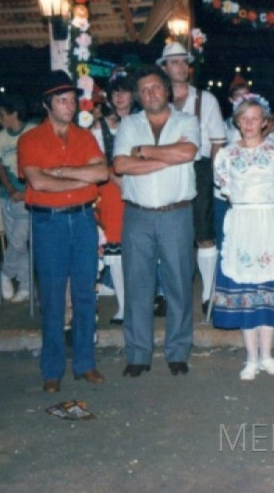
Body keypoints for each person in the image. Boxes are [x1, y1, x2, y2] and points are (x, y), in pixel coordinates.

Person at [18, 70, 108, 393]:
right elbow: (38, 181)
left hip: (83, 220)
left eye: (72, 99)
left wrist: (66, 172)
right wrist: (80, 178)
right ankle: (52, 369)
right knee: (53, 298)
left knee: (86, 294)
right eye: (62, 100)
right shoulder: (30, 140)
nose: (69, 105)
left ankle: (85, 364)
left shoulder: (85, 137)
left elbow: (100, 173)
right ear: (47, 104)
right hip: (49, 223)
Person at [212, 94, 274, 381]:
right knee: (246, 289)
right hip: (242, 222)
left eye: (255, 118)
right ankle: (250, 358)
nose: (250, 124)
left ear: (265, 122)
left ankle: (267, 355)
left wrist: (265, 209)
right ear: (237, 122)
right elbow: (227, 191)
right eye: (244, 119)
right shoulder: (226, 155)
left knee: (268, 289)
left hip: (269, 221)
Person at [113, 64, 201, 378]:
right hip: (137, 215)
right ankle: (138, 354)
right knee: (138, 285)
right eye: (145, 89)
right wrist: (163, 157)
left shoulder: (187, 120)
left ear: (167, 90)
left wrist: (144, 152)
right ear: (139, 95)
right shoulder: (129, 125)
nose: (151, 94)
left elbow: (187, 152)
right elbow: (121, 165)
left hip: (176, 214)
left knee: (179, 283)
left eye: (156, 88)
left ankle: (177, 352)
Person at [158, 41, 227, 316]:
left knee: (204, 234)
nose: (181, 67)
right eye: (174, 62)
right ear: (164, 67)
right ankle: (173, 294)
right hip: (165, 168)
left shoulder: (205, 99)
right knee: (171, 234)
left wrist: (216, 177)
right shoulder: (157, 99)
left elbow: (218, 142)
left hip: (198, 168)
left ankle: (209, 294)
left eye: (184, 62)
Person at [91, 69, 137, 324]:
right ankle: (123, 305)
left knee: (139, 249)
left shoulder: (142, 120)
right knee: (116, 251)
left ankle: (140, 301)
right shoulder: (100, 126)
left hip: (139, 186)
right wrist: (116, 179)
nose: (120, 97)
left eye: (125, 91)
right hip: (110, 190)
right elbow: (97, 161)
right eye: (115, 93)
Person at [0, 94, 34, 303]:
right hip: (8, 194)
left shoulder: (31, 131)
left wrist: (27, 191)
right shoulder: (2, 136)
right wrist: (10, 190)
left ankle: (5, 273)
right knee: (16, 243)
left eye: (2, 115)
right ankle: (26, 287)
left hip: (28, 193)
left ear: (14, 113)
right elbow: (0, 166)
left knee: (20, 240)